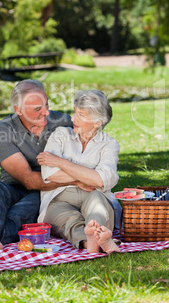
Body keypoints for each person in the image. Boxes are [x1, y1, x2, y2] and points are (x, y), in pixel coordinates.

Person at [0, 79, 75, 253]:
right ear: (18, 110)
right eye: (37, 109)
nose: (46, 112)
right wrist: (76, 179)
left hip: (48, 190)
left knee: (30, 204)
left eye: (46, 104)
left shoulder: (63, 122)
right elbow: (28, 180)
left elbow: (91, 150)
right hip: (16, 187)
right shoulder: (3, 131)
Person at [36, 89, 122, 254]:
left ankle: (93, 239)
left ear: (97, 122)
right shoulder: (60, 135)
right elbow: (49, 174)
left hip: (94, 195)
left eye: (81, 115)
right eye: (75, 112)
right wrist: (82, 179)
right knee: (69, 220)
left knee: (98, 204)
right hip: (58, 198)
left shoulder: (109, 144)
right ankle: (92, 241)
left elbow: (101, 181)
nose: (73, 118)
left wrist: (60, 162)